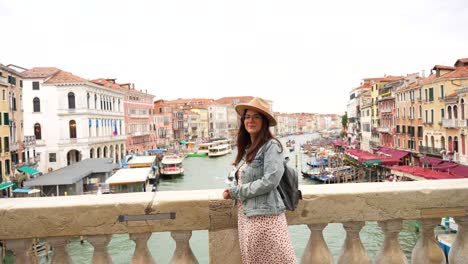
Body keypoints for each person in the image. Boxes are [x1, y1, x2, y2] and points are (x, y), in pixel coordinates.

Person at [222, 97, 296, 264]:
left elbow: (270, 181)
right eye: (247, 117)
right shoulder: (248, 149)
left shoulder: (272, 146)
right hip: (247, 216)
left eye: (256, 117)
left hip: (265, 219)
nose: (250, 120)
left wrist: (235, 192)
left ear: (264, 121)